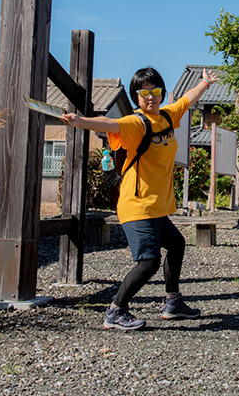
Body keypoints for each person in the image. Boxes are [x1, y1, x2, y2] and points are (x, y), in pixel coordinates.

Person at [62, 66, 218, 331]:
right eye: (143, 93)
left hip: (157, 206)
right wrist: (81, 121)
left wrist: (204, 84)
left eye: (155, 91)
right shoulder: (136, 123)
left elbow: (186, 101)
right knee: (148, 262)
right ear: (136, 96)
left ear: (161, 92)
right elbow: (111, 124)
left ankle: (172, 302)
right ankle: (115, 310)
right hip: (137, 206)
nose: (150, 97)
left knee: (177, 245)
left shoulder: (167, 117)